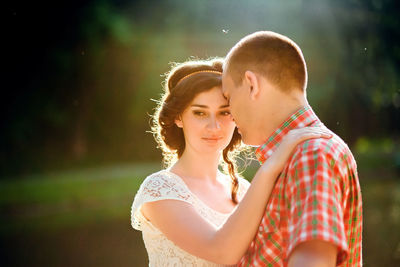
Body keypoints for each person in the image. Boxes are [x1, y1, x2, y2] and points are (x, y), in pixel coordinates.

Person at [131, 58, 331, 266]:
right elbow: (220, 252)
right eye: (199, 113)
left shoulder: (244, 190)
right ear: (178, 118)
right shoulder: (160, 189)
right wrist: (272, 165)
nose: (214, 126)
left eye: (224, 112)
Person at [222, 31, 363, 267]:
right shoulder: (296, 155)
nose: (230, 114)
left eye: (228, 98)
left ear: (251, 84)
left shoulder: (311, 155)